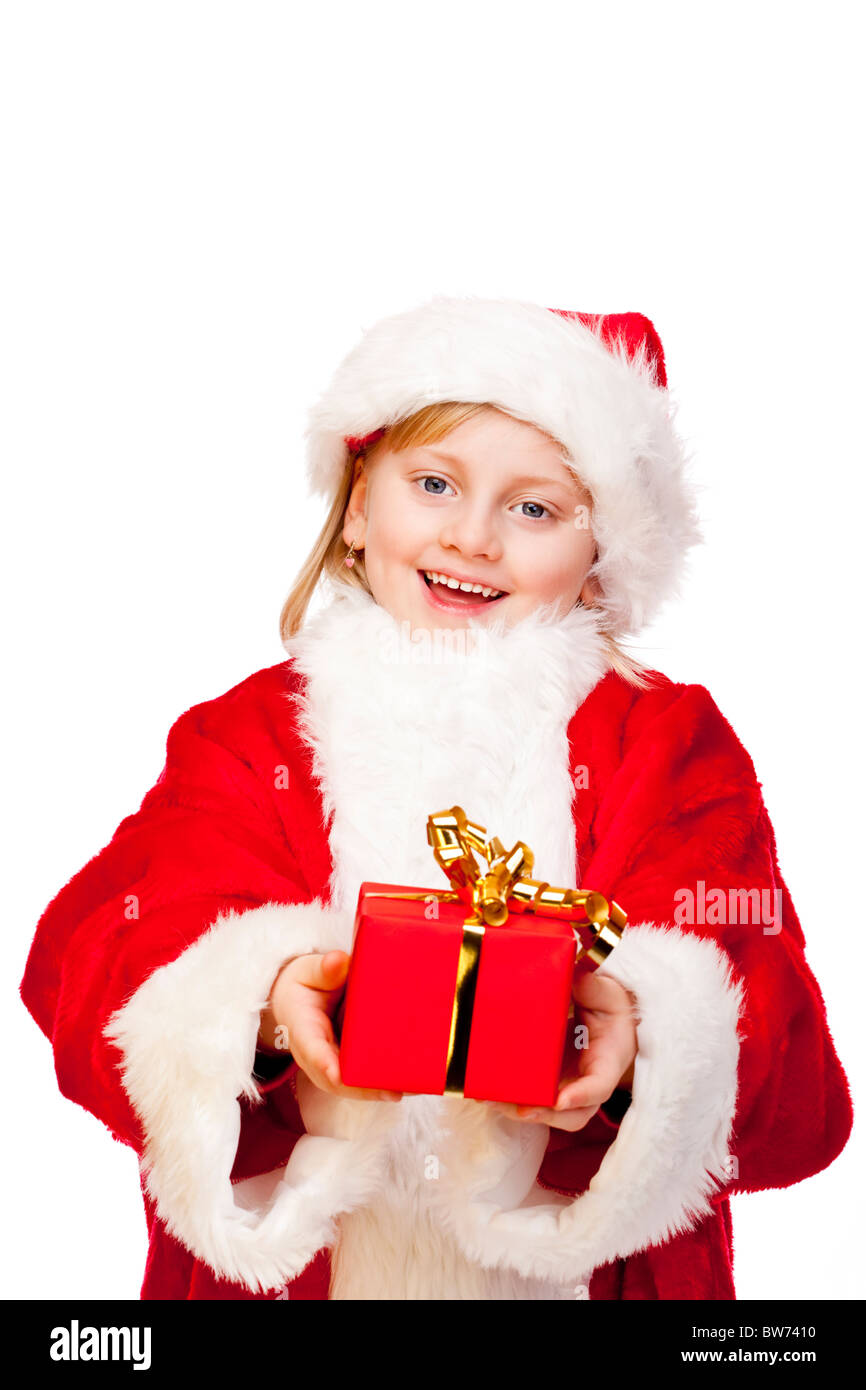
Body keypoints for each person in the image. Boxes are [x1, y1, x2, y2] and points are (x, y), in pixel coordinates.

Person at [20, 295, 853, 1301]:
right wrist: (265, 1008)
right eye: (433, 483)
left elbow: (789, 1077)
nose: (473, 536)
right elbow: (95, 955)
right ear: (358, 508)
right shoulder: (245, 735)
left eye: (534, 508)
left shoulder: (662, 744)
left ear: (599, 562)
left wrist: (637, 1034)